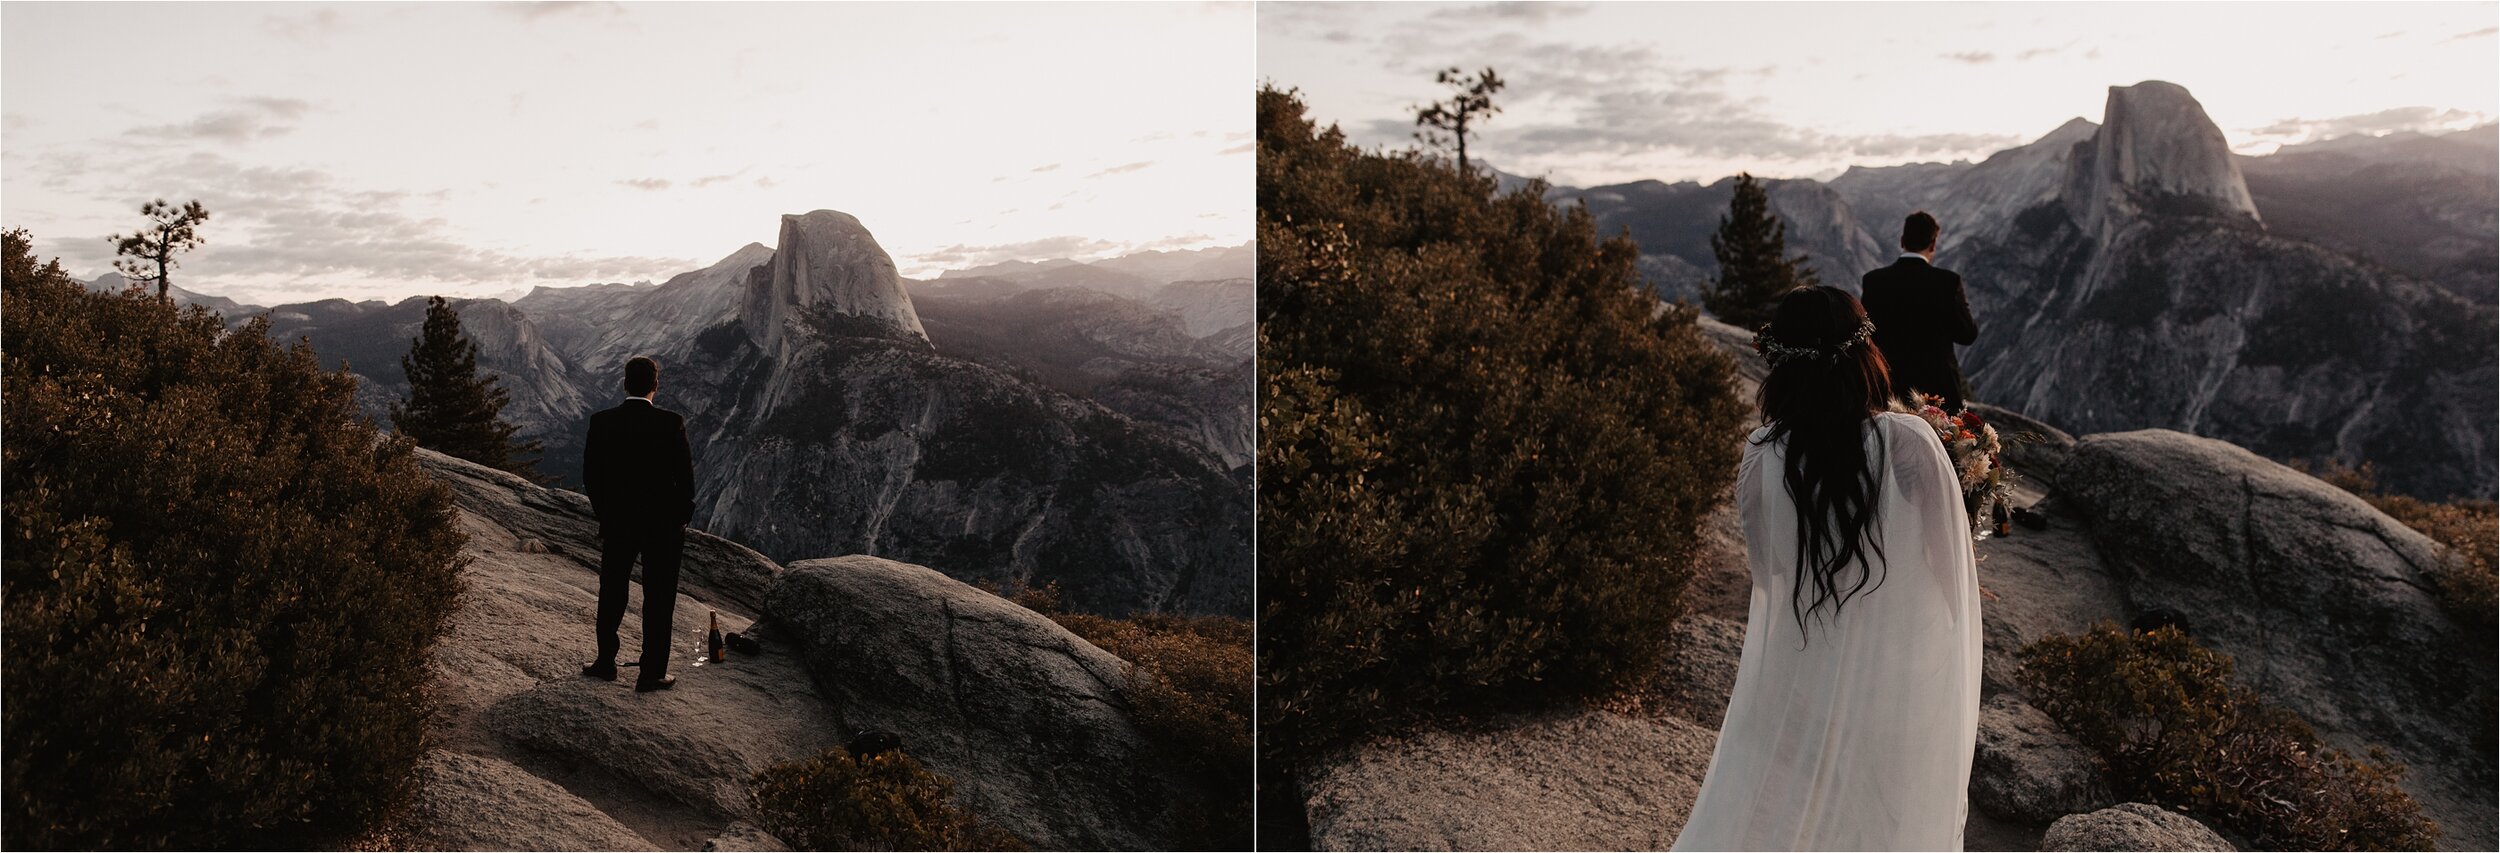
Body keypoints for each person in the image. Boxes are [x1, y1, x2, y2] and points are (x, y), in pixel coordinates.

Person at [1671, 286, 1983, 851]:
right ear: (1866, 354)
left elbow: (1769, 577)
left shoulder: (1763, 451)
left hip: (1804, 668)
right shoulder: (1908, 441)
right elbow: (1950, 577)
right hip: (1895, 679)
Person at [579, 356, 697, 693]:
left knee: (612, 591)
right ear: (655, 387)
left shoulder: (601, 422)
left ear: (625, 384)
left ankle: (605, 663)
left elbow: (591, 477)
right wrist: (678, 522)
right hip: (663, 528)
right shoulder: (671, 423)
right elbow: (686, 484)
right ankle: (651, 673)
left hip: (618, 523)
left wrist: (607, 513)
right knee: (659, 598)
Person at [1860, 211, 1979, 413]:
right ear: (1933, 245)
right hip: (1939, 393)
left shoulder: (1873, 281)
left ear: (1902, 240)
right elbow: (1967, 334)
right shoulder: (1948, 282)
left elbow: (1867, 334)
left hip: (1890, 389)